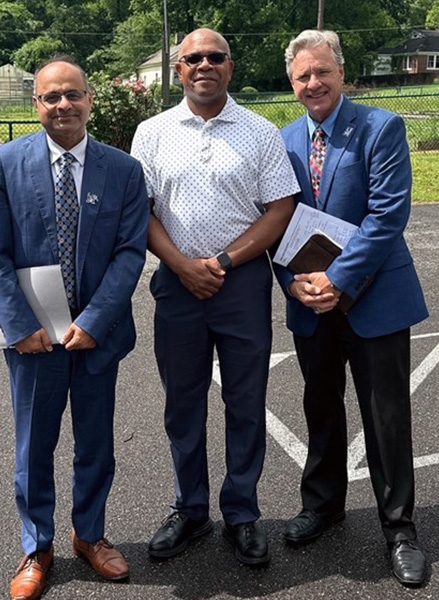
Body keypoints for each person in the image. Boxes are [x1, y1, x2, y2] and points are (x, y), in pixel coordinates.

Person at [0, 56, 149, 600]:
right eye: (51, 97)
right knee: (34, 446)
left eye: (72, 94)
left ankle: (91, 536)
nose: (63, 106)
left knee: (96, 442)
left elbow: (130, 251)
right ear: (37, 105)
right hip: (32, 340)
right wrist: (20, 323)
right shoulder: (7, 163)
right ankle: (37, 546)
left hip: (96, 337)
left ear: (90, 99)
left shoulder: (123, 170)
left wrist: (96, 320)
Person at [130, 28, 299, 566]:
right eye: (193, 58)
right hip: (177, 285)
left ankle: (243, 513)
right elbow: (143, 210)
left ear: (231, 67)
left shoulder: (259, 132)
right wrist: (181, 265)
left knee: (245, 402)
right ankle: (191, 510)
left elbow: (280, 208)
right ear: (178, 69)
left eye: (215, 57)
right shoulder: (152, 132)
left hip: (242, 283)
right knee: (183, 405)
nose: (205, 64)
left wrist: (222, 262)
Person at [275, 30, 430, 586]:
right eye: (302, 76)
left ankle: (399, 528)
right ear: (291, 83)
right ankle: (323, 506)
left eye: (322, 72)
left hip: (373, 298)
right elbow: (275, 221)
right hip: (310, 302)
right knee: (319, 404)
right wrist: (292, 283)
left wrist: (338, 279)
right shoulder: (284, 140)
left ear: (342, 73)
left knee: (385, 415)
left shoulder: (380, 128)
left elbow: (387, 216)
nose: (312, 83)